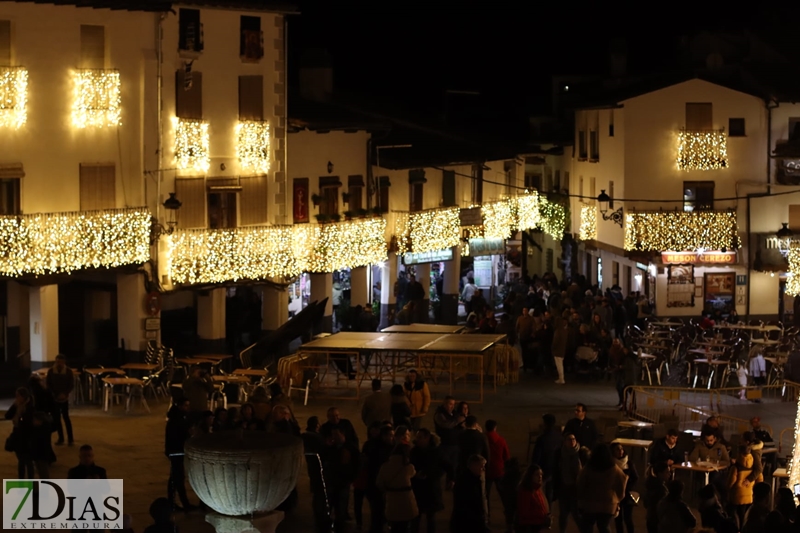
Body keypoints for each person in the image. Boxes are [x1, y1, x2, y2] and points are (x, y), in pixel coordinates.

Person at [576, 443, 627, 533]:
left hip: (589, 503)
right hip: (608, 504)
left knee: (587, 526)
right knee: (604, 526)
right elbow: (621, 484)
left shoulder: (588, 468)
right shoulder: (614, 469)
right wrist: (617, 499)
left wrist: (581, 499)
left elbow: (580, 484)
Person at [410, 428, 449, 533]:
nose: (417, 439)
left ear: (427, 438)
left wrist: (432, 475)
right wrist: (415, 475)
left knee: (430, 517)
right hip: (418, 488)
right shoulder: (414, 451)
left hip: (431, 488)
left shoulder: (436, 452)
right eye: (417, 437)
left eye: (420, 437)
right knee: (415, 517)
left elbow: (445, 466)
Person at [377, 444, 418, 533]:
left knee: (394, 526)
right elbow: (413, 473)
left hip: (392, 498)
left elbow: (379, 483)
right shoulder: (409, 467)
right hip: (406, 500)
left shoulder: (385, 466)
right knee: (405, 526)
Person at [164, 398, 196, 511]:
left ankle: (172, 502)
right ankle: (183, 503)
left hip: (175, 451)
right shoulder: (177, 420)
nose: (187, 408)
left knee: (175, 477)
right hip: (177, 451)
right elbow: (178, 436)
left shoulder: (178, 418)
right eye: (185, 405)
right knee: (178, 477)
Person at [451, 454, 490, 533]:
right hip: (467, 523)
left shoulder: (474, 480)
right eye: (482, 466)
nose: (483, 469)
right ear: (474, 466)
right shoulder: (466, 482)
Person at [553, 434, 583, 533]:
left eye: (573, 439)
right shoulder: (560, 453)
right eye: (569, 439)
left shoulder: (581, 453)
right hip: (564, 487)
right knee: (563, 513)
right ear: (564, 441)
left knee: (577, 514)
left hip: (576, 488)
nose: (572, 441)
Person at [5, 387, 35, 478]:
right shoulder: (17, 405)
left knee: (28, 462)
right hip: (18, 435)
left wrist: (19, 419)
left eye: (18, 396)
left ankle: (30, 482)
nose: (16, 398)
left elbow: (27, 422)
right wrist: (14, 406)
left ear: (24, 396)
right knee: (21, 461)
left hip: (27, 437)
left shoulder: (30, 407)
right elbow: (7, 416)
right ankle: (21, 483)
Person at [531, 413, 562, 503]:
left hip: (544, 468)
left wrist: (534, 468)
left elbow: (536, 456)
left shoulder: (542, 439)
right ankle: (549, 511)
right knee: (550, 492)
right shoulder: (559, 437)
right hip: (554, 468)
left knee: (538, 492)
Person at [433, 396, 464, 485]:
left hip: (455, 444)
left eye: (453, 404)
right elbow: (446, 425)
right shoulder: (439, 414)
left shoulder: (454, 414)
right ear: (444, 404)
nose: (452, 406)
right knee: (442, 466)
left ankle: (450, 483)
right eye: (450, 404)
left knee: (453, 466)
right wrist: (457, 421)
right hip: (444, 444)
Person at [46, 354, 75, 445]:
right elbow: (48, 384)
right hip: (55, 398)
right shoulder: (51, 371)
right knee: (57, 419)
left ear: (64, 362)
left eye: (61, 362)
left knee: (66, 418)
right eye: (57, 361)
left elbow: (71, 384)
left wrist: (65, 393)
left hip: (64, 398)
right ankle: (61, 438)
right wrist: (54, 394)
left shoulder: (68, 371)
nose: (59, 363)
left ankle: (70, 439)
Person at [485, 419, 510, 519]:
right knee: (504, 495)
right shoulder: (501, 440)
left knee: (485, 495)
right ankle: (509, 517)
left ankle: (487, 517)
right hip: (499, 470)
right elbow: (507, 457)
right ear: (495, 428)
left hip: (486, 470)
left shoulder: (483, 439)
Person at [611, 442, 638, 533]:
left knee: (628, 518)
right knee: (618, 518)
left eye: (621, 449)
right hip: (615, 494)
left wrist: (627, 486)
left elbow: (635, 477)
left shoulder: (628, 463)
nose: (620, 451)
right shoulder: (611, 463)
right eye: (617, 449)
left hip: (627, 494)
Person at [516, 464, 551, 533]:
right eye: (537, 474)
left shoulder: (538, 490)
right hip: (528, 527)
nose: (540, 477)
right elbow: (524, 512)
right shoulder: (525, 492)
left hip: (537, 526)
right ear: (530, 476)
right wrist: (541, 514)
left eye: (541, 474)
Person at [644, 462, 670, 533]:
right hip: (658, 520)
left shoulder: (650, 484)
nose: (669, 474)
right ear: (660, 473)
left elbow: (645, 503)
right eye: (667, 472)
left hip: (650, 518)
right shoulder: (661, 489)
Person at [552, 313, 568, 384]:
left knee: (559, 365)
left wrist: (552, 348)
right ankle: (561, 378)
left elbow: (555, 342)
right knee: (560, 364)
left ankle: (561, 378)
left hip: (557, 350)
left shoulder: (557, 331)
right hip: (562, 349)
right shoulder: (564, 331)